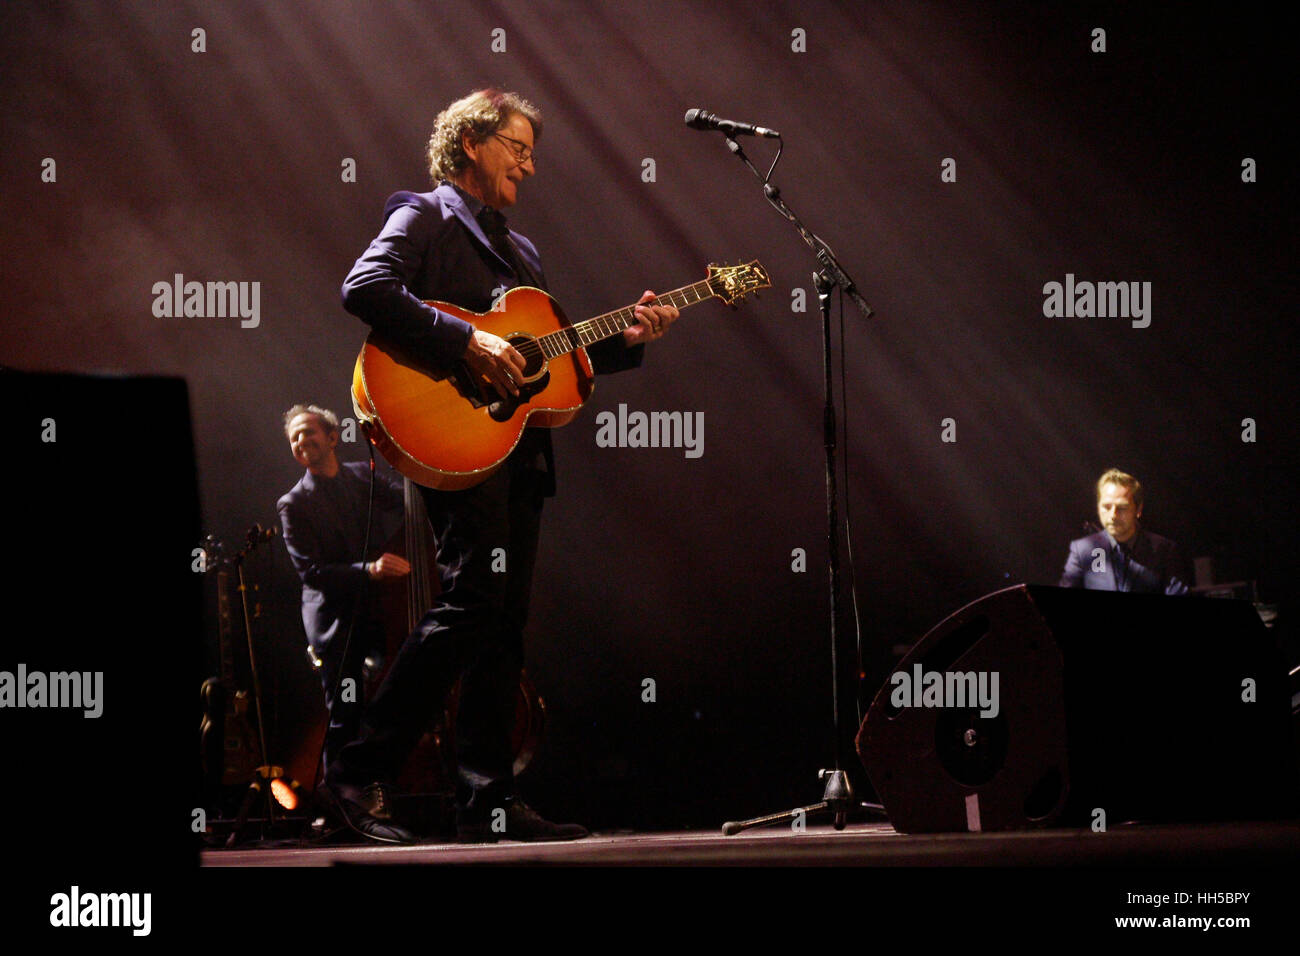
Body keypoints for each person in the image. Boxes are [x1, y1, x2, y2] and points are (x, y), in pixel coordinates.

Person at [323, 88, 680, 844]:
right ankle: (358, 766)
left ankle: (486, 798)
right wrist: (466, 343)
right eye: (517, 147)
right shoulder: (422, 215)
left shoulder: (524, 254)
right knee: (475, 602)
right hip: (455, 438)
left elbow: (552, 362)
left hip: (516, 450)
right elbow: (365, 288)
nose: (530, 163)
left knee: (505, 622)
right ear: (471, 144)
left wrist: (634, 335)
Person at [276, 404, 410, 777]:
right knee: (345, 711)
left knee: (394, 699)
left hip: (377, 607)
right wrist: (371, 570)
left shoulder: (361, 477)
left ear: (333, 438)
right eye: (294, 438)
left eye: (308, 432)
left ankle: (379, 786)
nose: (301, 441)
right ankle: (338, 801)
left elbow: (407, 501)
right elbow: (312, 572)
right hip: (336, 620)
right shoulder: (293, 503)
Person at [1059, 468, 1190, 594]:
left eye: (1122, 507)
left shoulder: (1165, 551)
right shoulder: (1082, 549)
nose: (1113, 515)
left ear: (1138, 509)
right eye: (1106, 506)